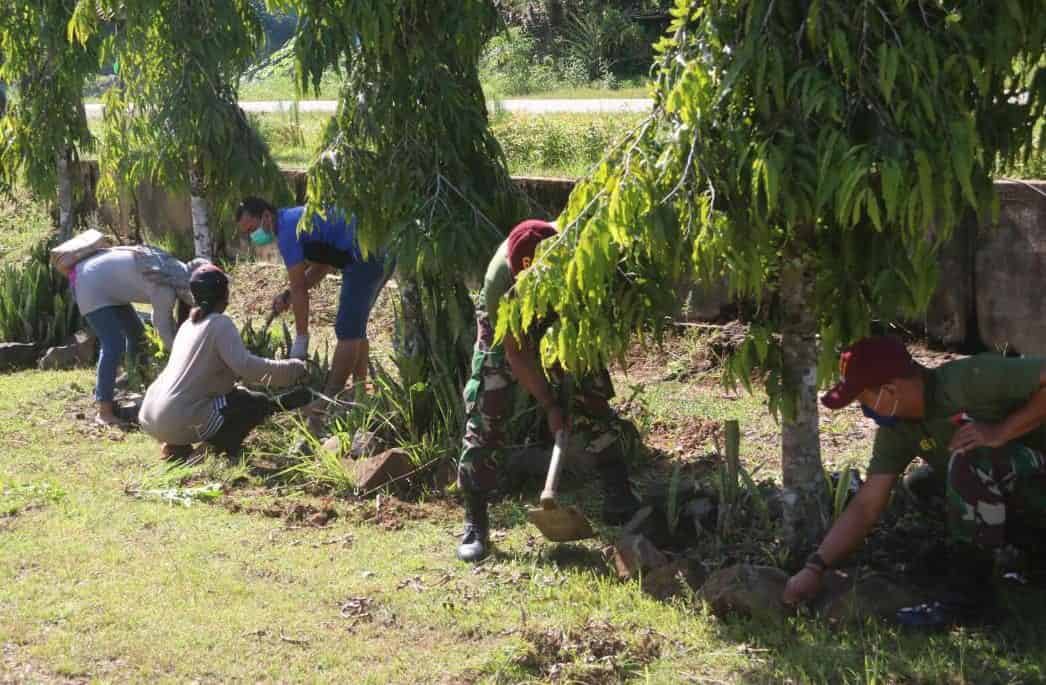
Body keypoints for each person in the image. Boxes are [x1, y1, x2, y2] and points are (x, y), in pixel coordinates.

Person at [782, 336, 1046, 622]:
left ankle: (970, 603)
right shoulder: (898, 430)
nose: (865, 411)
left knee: (971, 459)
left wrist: (1001, 431)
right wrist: (815, 567)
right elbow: (867, 505)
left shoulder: (971, 379)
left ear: (890, 390)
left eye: (864, 400)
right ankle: (1033, 559)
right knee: (925, 485)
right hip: (1025, 492)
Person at [455, 219, 642, 562]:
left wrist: (567, 383)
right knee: (487, 399)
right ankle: (476, 519)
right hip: (507, 317)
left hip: (566, 309)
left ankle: (618, 493)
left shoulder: (579, 257)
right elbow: (516, 351)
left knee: (591, 390)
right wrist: (549, 404)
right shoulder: (502, 280)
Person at [234, 197, 390, 426]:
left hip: (364, 258)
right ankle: (359, 391)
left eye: (252, 228)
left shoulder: (287, 230)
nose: (252, 236)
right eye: (247, 232)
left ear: (266, 216)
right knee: (356, 327)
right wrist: (287, 296)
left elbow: (299, 289)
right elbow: (322, 266)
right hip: (377, 250)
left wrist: (301, 339)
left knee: (347, 330)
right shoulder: (293, 219)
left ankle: (328, 400)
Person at [139, 264, 311, 460]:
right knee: (251, 405)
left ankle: (174, 446)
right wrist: (295, 369)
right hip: (176, 418)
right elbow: (247, 367)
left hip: (150, 414)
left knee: (234, 398)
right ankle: (204, 454)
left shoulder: (189, 325)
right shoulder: (220, 324)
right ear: (224, 295)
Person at [64, 245, 202, 426]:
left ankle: (134, 379)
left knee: (136, 334)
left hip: (104, 281)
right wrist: (186, 360)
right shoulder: (165, 288)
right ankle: (104, 411)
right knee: (113, 344)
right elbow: (164, 330)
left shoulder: (173, 269)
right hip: (89, 284)